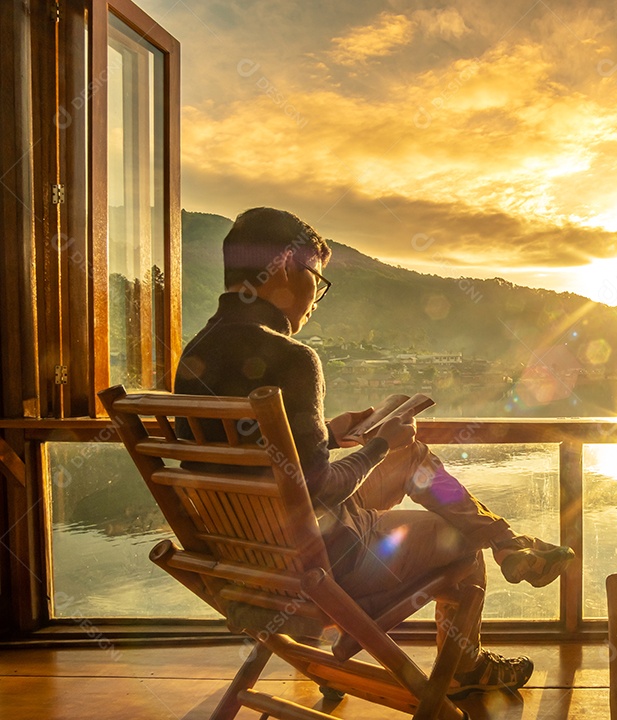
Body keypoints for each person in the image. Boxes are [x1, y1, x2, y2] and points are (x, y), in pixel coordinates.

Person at [174, 207, 574, 697]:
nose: (316, 298)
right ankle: (471, 652)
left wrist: (328, 434)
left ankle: (507, 542)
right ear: (280, 269)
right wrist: (384, 442)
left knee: (413, 460)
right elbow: (319, 485)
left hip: (253, 560)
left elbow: (267, 463)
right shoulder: (293, 358)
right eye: (316, 279)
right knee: (459, 540)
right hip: (327, 563)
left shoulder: (194, 356)